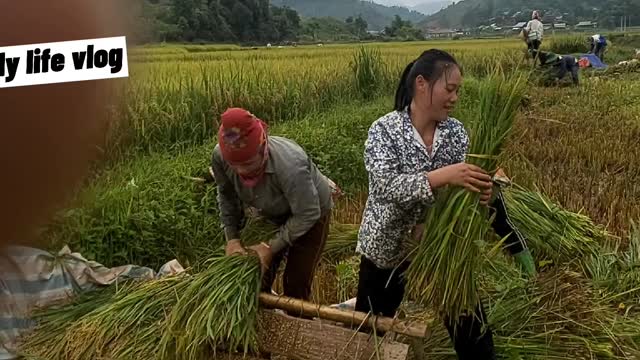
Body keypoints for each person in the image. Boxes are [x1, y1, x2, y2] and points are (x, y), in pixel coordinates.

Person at [354, 49, 497, 359]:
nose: (455, 97)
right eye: (449, 88)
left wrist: (481, 194)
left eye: (458, 90)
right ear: (422, 84)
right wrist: (442, 176)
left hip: (440, 243)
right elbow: (386, 186)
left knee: (471, 327)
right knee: (370, 330)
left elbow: (461, 192)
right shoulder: (384, 130)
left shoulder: (455, 133)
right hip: (387, 247)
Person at [210, 107, 334, 304]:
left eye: (249, 163)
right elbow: (226, 195)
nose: (242, 171)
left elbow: (307, 213)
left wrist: (270, 246)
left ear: (263, 146)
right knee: (255, 278)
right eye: (236, 165)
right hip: (273, 212)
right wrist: (232, 238)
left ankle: (297, 327)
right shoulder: (220, 157)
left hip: (310, 213)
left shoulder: (291, 166)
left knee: (295, 285)